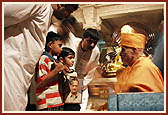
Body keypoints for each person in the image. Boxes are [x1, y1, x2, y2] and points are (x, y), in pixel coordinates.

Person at [4, 4, 78, 111]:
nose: (67, 15)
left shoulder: (47, 13)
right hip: (11, 65)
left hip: (22, 71)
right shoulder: (40, 4)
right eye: (68, 10)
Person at [35, 31, 70, 111]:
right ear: (50, 45)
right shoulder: (44, 59)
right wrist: (56, 70)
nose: (61, 49)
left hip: (57, 101)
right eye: (59, 46)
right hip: (48, 103)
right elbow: (40, 82)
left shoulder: (54, 61)